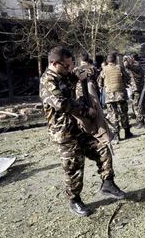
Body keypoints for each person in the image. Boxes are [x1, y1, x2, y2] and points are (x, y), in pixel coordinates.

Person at [39, 46, 124, 217]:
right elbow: (62, 104)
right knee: (74, 166)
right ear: (55, 63)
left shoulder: (63, 74)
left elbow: (78, 77)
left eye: (71, 65)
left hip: (77, 128)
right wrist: (86, 111)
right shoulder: (48, 81)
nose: (70, 68)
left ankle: (108, 183)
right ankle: (74, 200)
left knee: (101, 148)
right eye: (67, 65)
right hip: (63, 133)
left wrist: (83, 75)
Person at [98, 52, 133, 140]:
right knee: (123, 114)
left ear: (107, 61)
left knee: (113, 115)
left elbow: (100, 83)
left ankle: (116, 136)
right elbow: (127, 79)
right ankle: (127, 133)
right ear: (115, 60)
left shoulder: (104, 70)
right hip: (121, 94)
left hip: (109, 96)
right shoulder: (119, 68)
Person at [124, 53, 145, 129]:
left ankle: (141, 122)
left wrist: (126, 59)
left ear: (133, 59)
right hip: (138, 88)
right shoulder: (138, 65)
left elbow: (127, 66)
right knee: (142, 104)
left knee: (137, 105)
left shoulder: (136, 65)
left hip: (138, 88)